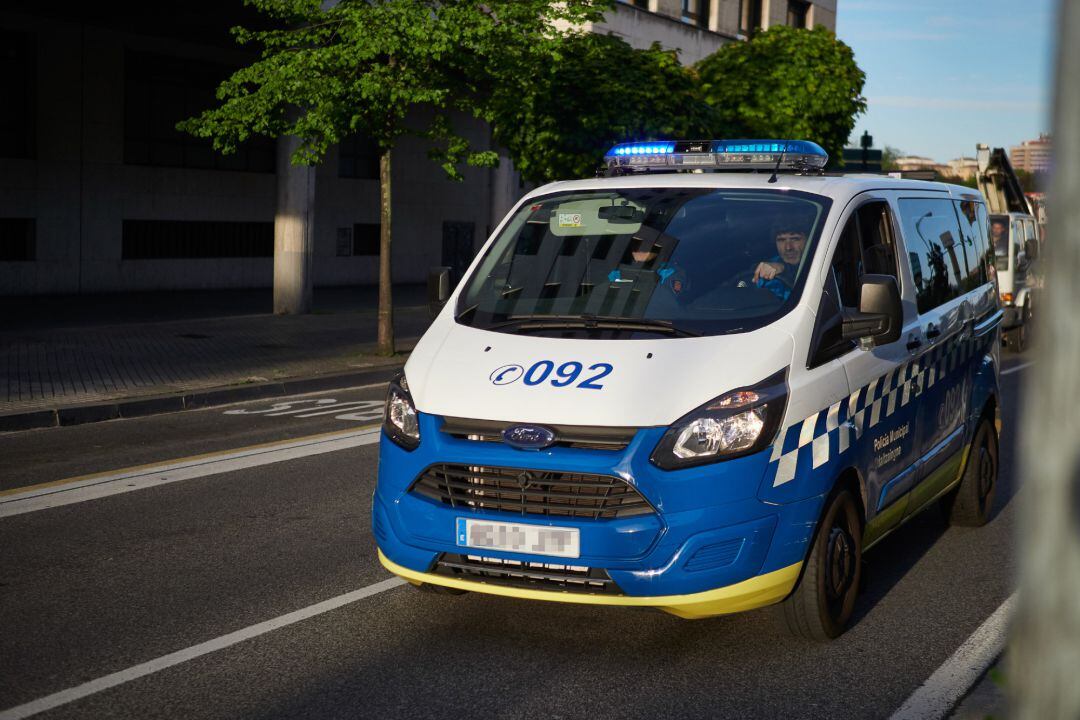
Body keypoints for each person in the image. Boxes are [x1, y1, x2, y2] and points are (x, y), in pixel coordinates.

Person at [752, 227, 808, 300]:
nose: (788, 247)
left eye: (795, 239)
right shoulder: (769, 265)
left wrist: (785, 269)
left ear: (808, 239)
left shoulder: (821, 262)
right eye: (781, 240)